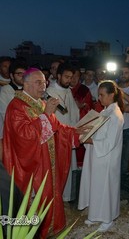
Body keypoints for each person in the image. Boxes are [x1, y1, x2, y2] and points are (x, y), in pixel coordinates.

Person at [2, 68, 85, 238]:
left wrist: (78, 133)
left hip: (46, 163)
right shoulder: (16, 106)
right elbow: (25, 137)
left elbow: (57, 128)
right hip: (29, 168)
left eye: (45, 82)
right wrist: (46, 114)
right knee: (31, 204)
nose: (43, 86)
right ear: (25, 84)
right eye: (38, 82)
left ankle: (47, 229)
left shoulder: (39, 103)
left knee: (47, 199)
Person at [78, 80, 124, 232]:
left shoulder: (116, 115)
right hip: (97, 155)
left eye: (102, 95)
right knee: (96, 185)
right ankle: (95, 214)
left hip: (107, 157)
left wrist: (91, 140)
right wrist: (87, 132)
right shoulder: (105, 111)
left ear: (112, 95)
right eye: (98, 95)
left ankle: (107, 218)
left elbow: (110, 142)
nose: (99, 98)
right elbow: (99, 132)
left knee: (106, 187)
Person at [47, 62, 80, 202]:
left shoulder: (68, 91)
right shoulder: (49, 93)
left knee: (68, 167)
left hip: (68, 135)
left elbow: (73, 112)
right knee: (56, 169)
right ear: (58, 76)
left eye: (71, 77)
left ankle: (65, 197)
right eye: (66, 77)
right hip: (56, 137)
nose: (69, 80)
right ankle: (54, 198)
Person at [0, 60, 28, 161]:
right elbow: (5, 115)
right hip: (10, 135)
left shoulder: (29, 89)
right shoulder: (6, 90)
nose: (22, 76)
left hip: (27, 135)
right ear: (12, 76)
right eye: (19, 74)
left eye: (25, 74)